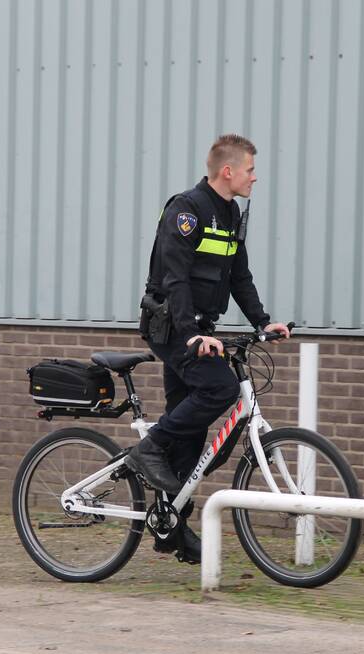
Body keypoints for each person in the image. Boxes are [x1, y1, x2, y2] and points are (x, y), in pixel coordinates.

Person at [127, 133, 291, 562]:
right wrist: (191, 334)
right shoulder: (186, 210)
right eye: (251, 170)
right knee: (220, 390)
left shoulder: (231, 212)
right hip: (172, 329)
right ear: (228, 171)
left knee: (192, 435)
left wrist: (261, 322)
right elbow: (175, 279)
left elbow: (239, 275)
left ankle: (170, 528)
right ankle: (148, 449)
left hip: (200, 328)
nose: (256, 177)